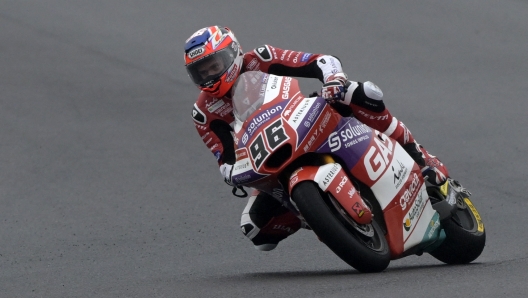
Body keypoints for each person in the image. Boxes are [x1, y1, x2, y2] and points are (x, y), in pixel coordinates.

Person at [185, 26, 449, 251]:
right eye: (201, 72)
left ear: (233, 53)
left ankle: (420, 156)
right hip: (268, 154)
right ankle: (313, 215)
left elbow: (320, 61)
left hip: (302, 117)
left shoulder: (261, 58)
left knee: (358, 92)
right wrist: (231, 172)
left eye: (214, 66)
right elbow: (224, 157)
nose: (209, 76)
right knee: (255, 229)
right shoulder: (203, 112)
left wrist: (334, 79)